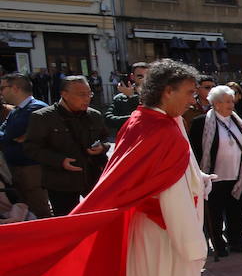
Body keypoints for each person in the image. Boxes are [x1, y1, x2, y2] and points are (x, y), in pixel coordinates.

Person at [0, 59, 222, 276]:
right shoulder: (163, 130)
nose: (193, 99)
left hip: (149, 229)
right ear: (166, 91)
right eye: (188, 92)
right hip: (168, 230)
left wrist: (197, 176)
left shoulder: (144, 120)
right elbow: (169, 190)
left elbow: (166, 171)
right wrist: (193, 244)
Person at [24, 76, 109, 216]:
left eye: (89, 94)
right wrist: (59, 161)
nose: (87, 98)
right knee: (67, 222)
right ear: (64, 94)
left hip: (92, 177)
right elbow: (31, 148)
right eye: (82, 94)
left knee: (99, 218)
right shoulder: (43, 117)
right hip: (61, 182)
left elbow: (105, 139)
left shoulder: (94, 115)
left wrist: (102, 147)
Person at [187, 85, 242, 258]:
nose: (231, 104)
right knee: (214, 213)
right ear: (215, 103)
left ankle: (236, 242)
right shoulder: (201, 122)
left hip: (237, 174)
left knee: (236, 210)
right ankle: (219, 245)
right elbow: (194, 150)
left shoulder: (237, 121)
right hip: (213, 176)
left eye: (232, 101)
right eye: (226, 101)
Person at [0, 72, 51, 216]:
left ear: (15, 88)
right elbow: (5, 133)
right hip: (17, 169)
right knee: (25, 211)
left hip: (31, 169)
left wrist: (9, 136)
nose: (1, 93)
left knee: (39, 210)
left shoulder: (35, 108)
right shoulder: (15, 111)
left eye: (3, 88)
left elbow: (7, 135)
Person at [105, 62, 148, 133]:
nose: (144, 80)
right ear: (132, 77)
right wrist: (132, 118)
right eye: (140, 77)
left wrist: (131, 97)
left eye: (147, 77)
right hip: (127, 139)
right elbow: (108, 120)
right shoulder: (120, 98)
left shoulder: (154, 97)